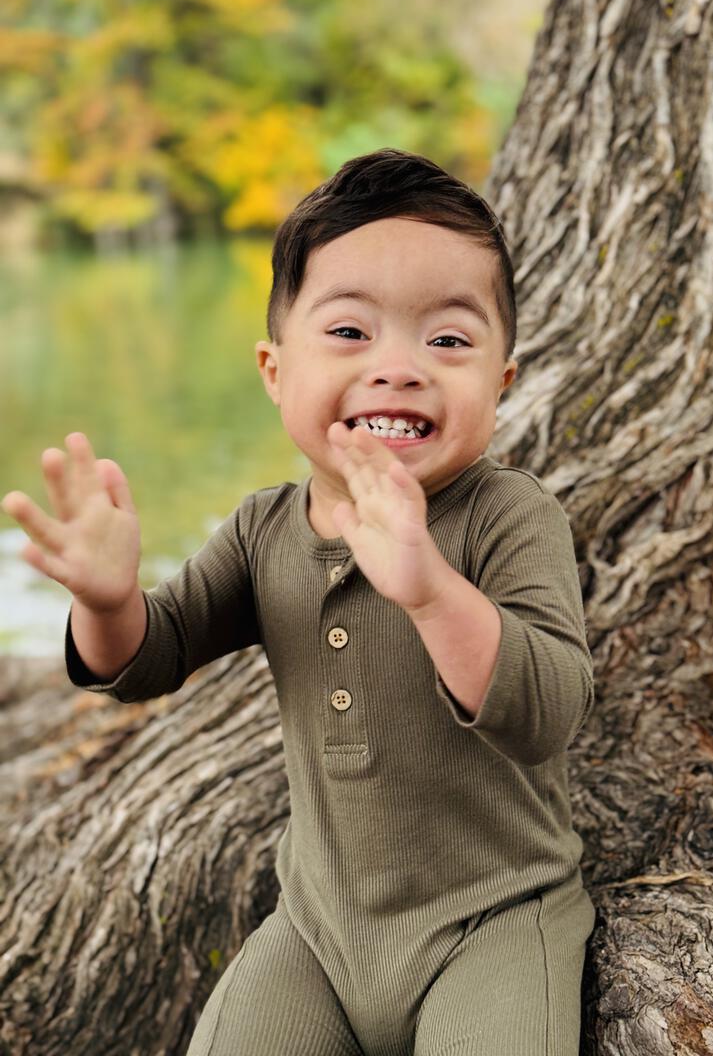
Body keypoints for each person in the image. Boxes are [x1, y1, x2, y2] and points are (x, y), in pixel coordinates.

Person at [2, 149, 596, 1056]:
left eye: (447, 340)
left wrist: (431, 591)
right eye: (351, 333)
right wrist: (106, 597)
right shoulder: (262, 530)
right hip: (319, 931)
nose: (399, 368)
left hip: (494, 917)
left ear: (501, 383)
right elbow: (149, 657)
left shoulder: (509, 517)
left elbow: (546, 711)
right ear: (276, 371)